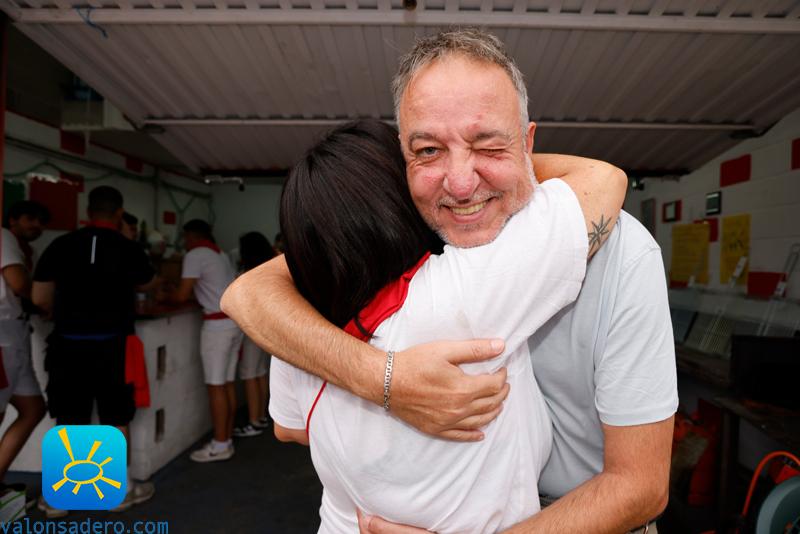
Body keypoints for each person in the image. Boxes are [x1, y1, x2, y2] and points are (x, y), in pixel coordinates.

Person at [223, 28, 677, 533]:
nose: (461, 184)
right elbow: (251, 291)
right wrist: (384, 379)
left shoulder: (621, 249)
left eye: (489, 145)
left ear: (527, 144)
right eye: (430, 151)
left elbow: (639, 487)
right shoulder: (416, 253)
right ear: (402, 160)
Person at [269, 118, 624, 532]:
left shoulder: (299, 328)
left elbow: (287, 429)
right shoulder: (461, 292)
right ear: (398, 200)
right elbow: (603, 179)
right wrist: (485, 166)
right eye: (423, 159)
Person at [32, 186, 157, 515]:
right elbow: (148, 284)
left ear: (88, 211)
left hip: (68, 347)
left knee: (69, 416)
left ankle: (61, 499)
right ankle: (120, 492)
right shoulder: (129, 248)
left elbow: (39, 297)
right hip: (114, 346)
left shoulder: (60, 245)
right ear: (119, 213)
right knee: (116, 417)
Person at [168, 220, 241, 462]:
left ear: (190, 236)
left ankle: (220, 445)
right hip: (233, 323)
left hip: (217, 327)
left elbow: (181, 295)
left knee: (215, 386)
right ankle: (226, 438)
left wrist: (163, 293)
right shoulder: (219, 253)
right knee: (227, 383)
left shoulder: (195, 254)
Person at [0, 201, 49, 520]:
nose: (36, 226)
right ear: (13, 220)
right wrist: (48, 299)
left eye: (40, 221)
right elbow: (18, 283)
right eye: (30, 219)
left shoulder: (18, 245)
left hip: (14, 338)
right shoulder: (3, 236)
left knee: (33, 409)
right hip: (1, 340)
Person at [232, 232, 275, 438]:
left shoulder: (250, 274)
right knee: (259, 373)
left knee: (250, 374)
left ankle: (254, 421)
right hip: (267, 329)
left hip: (253, 328)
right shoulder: (270, 267)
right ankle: (261, 416)